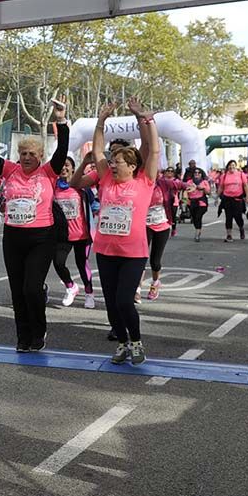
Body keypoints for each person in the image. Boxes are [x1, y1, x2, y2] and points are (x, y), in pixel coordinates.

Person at [0, 100, 70, 351]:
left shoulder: (48, 171)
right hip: (13, 237)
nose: (26, 158)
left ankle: (39, 331)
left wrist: (61, 120)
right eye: (23, 154)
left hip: (42, 238)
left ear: (40, 158)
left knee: (31, 289)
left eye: (31, 154)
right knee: (17, 292)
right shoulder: (9, 170)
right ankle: (23, 337)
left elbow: (62, 149)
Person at [91, 98, 159, 366]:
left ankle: (136, 341)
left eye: (119, 161)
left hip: (133, 253)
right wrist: (101, 121)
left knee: (124, 301)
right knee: (110, 304)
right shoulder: (106, 179)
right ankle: (122, 343)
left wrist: (147, 119)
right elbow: (97, 151)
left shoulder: (144, 181)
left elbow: (152, 152)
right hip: (105, 251)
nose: (113, 164)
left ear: (132, 165)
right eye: (113, 160)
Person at [52, 156, 96, 308]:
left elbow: (95, 204)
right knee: (58, 262)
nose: (63, 168)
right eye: (61, 166)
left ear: (72, 168)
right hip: (62, 235)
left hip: (81, 234)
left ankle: (89, 293)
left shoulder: (81, 186)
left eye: (67, 165)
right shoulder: (53, 187)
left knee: (82, 264)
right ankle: (71, 286)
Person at [143, 169, 186, 301]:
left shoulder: (164, 183)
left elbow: (181, 185)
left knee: (155, 261)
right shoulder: (139, 184)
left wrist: (190, 187)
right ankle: (136, 289)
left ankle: (155, 284)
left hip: (162, 225)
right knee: (140, 258)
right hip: (144, 225)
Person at [218, 160, 248, 242]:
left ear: (236, 166)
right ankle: (229, 235)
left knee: (238, 216)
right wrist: (217, 197)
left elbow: (245, 186)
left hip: (237, 199)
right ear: (228, 166)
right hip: (227, 199)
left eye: (233, 165)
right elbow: (221, 187)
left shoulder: (241, 174)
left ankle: (241, 228)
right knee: (228, 217)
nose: (231, 167)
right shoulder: (224, 176)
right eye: (230, 165)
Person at [184, 168, 211, 242]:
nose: (197, 174)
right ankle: (197, 229)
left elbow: (208, 192)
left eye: (199, 173)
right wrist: (185, 201)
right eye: (195, 172)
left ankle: (197, 233)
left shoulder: (204, 182)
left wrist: (200, 188)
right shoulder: (189, 182)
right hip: (191, 202)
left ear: (201, 174)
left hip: (201, 202)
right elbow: (185, 192)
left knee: (198, 216)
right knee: (194, 218)